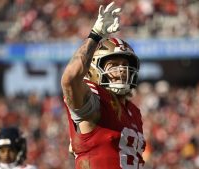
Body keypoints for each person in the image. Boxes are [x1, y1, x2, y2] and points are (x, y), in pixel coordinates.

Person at [61, 2, 146, 169]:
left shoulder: (134, 112)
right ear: (94, 69)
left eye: (125, 65)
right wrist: (95, 35)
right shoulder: (97, 99)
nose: (121, 71)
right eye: (113, 65)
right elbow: (70, 79)